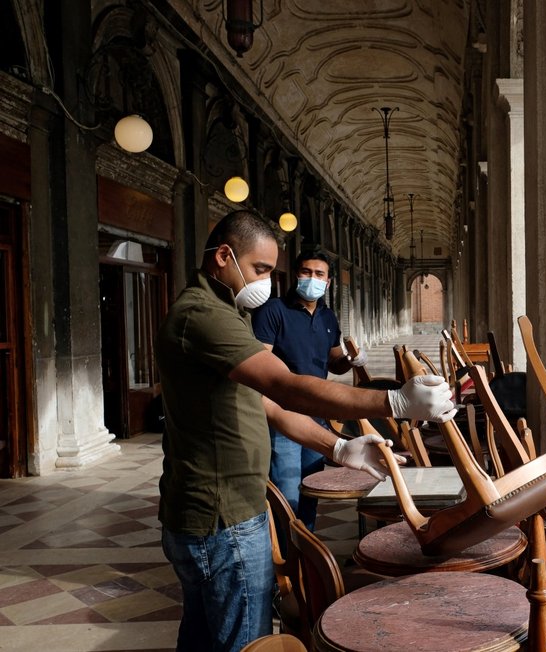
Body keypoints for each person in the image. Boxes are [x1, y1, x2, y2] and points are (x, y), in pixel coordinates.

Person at [155, 210, 456, 651]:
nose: (266, 281)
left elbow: (269, 406)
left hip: (214, 511)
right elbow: (286, 386)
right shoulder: (202, 316)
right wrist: (392, 402)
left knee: (202, 637)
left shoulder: (224, 311)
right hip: (224, 517)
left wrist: (338, 447)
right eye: (260, 269)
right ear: (224, 256)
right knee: (244, 642)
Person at [251, 250, 364, 530]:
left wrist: (350, 360)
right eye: (306, 272)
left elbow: (335, 361)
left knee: (311, 489)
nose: (311, 278)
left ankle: (307, 553)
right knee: (287, 493)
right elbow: (258, 366)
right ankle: (286, 563)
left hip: (317, 415)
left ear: (328, 282)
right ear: (295, 275)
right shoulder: (273, 310)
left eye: (319, 274)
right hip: (283, 415)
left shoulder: (328, 317)